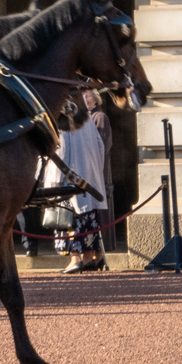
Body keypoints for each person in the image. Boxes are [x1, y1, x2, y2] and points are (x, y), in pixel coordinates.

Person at [55, 90, 113, 273]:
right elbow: (99, 145)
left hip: (71, 180)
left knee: (70, 221)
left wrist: (55, 181)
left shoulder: (64, 117)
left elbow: (61, 152)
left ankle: (76, 259)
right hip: (89, 179)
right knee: (89, 220)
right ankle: (89, 257)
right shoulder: (87, 118)